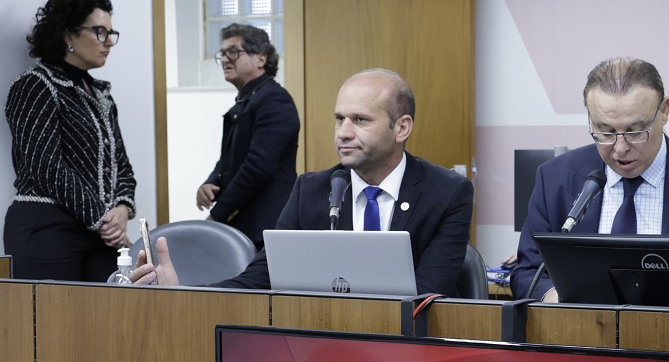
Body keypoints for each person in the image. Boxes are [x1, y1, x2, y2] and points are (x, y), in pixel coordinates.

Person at [138, 69, 473, 296]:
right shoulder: (311, 191)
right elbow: (260, 279)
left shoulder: (447, 192)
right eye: (339, 119)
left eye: (360, 120)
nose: (343, 132)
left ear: (401, 128)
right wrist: (185, 294)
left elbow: (429, 294)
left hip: (409, 354)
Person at [511, 56, 669, 301]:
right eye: (606, 132)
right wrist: (560, 300)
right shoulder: (554, 179)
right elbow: (528, 272)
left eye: (635, 131)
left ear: (664, 111)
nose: (620, 148)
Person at [4, 0, 136, 281]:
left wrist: (122, 207)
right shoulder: (35, 85)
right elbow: (45, 167)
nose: (109, 42)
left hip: (98, 234)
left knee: (111, 310)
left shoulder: (101, 94)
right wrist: (103, 218)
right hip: (47, 229)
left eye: (111, 33)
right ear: (68, 35)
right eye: (99, 32)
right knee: (51, 314)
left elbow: (122, 165)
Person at [197, 23, 300, 249]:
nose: (225, 59)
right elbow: (231, 158)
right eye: (222, 54)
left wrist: (218, 215)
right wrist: (212, 181)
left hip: (265, 229)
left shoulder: (274, 100)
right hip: (246, 226)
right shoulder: (249, 99)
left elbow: (257, 167)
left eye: (233, 52)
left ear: (260, 58)